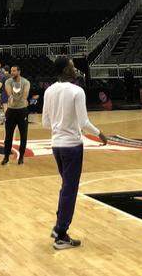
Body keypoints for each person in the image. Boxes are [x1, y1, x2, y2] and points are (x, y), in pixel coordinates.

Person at [42, 57, 107, 250]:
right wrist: (100, 134)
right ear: (64, 70)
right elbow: (83, 123)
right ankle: (61, 234)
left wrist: (59, 123)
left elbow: (45, 123)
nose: (74, 68)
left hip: (56, 145)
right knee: (70, 190)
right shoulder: (77, 91)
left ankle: (58, 226)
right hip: (72, 146)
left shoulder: (49, 91)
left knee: (66, 187)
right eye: (71, 66)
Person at [1, 65, 31, 165]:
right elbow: (8, 90)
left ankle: (21, 157)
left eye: (14, 71)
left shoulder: (25, 82)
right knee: (8, 135)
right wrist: (10, 97)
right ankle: (6, 157)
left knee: (23, 135)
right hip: (11, 111)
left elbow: (26, 93)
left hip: (22, 111)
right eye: (11, 71)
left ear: (19, 71)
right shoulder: (8, 81)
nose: (12, 72)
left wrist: (24, 97)